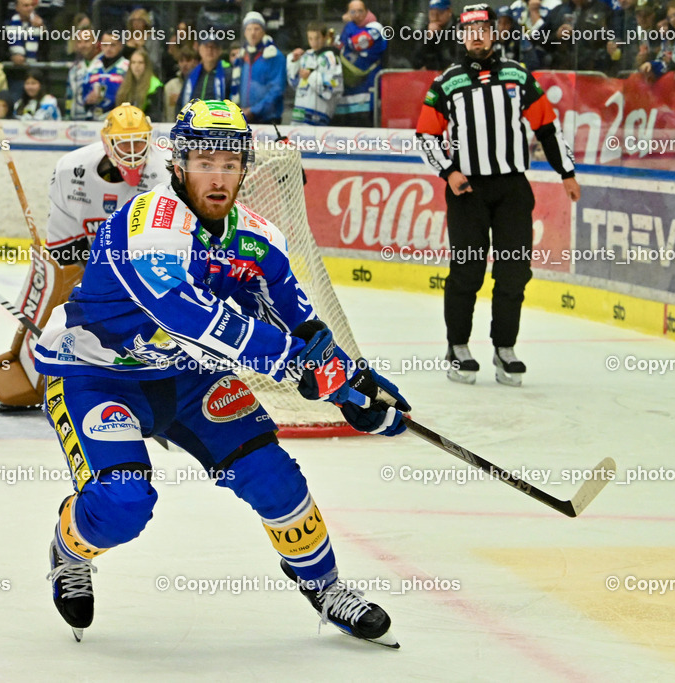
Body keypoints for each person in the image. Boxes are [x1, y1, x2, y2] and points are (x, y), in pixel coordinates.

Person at [36, 98, 410, 647]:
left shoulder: (257, 237)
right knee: (123, 504)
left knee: (275, 479)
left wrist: (352, 384)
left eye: (231, 163)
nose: (219, 177)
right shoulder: (150, 224)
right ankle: (70, 550)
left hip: (189, 380)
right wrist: (295, 364)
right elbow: (190, 318)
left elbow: (302, 323)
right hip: (97, 373)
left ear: (244, 169)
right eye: (206, 162)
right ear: (180, 164)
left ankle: (325, 588)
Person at [415, 4, 581, 387]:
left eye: (484, 29)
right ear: (461, 35)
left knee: (513, 272)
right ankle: (457, 347)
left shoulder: (517, 75)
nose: (477, 35)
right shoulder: (447, 82)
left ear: (495, 33)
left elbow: (547, 128)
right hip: (467, 190)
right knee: (467, 271)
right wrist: (449, 171)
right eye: (469, 30)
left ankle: (504, 348)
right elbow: (425, 136)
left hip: (511, 189)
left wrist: (567, 173)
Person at [0, 103, 169, 412]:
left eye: (140, 142)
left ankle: (150, 379)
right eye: (125, 143)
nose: (134, 152)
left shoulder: (165, 172)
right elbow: (64, 251)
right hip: (95, 263)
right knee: (73, 317)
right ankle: (58, 377)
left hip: (150, 264)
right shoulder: (72, 172)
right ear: (106, 143)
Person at [335, 0, 386, 127]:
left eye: (360, 11)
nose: (357, 14)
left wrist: (349, 24)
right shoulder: (352, 27)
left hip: (368, 89)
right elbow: (340, 45)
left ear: (367, 11)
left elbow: (355, 43)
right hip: (349, 90)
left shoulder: (376, 28)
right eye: (353, 11)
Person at [231, 11, 286, 124]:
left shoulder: (274, 55)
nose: (252, 33)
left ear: (263, 31)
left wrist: (254, 110)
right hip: (243, 118)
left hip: (268, 119)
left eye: (256, 29)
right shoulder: (241, 57)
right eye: (249, 29)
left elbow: (277, 89)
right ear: (244, 32)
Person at [287, 21, 343, 125]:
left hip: (319, 115)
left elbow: (335, 86)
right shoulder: (305, 56)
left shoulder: (331, 58)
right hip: (299, 113)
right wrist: (294, 62)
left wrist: (311, 76)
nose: (314, 42)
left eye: (317, 38)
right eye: (310, 38)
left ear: (325, 37)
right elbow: (294, 83)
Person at [82, 29, 128, 120]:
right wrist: (87, 99)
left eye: (112, 45)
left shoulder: (126, 66)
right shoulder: (93, 66)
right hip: (93, 117)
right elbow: (84, 92)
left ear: (120, 45)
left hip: (118, 118)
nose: (108, 48)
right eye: (105, 45)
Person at [178, 36, 231, 111]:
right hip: (193, 119)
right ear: (200, 50)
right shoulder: (191, 75)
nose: (210, 50)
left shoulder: (227, 75)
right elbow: (180, 103)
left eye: (213, 47)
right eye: (206, 47)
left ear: (220, 51)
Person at [114, 47, 163, 121]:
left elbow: (155, 114)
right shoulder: (125, 83)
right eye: (133, 62)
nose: (136, 66)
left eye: (140, 62)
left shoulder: (155, 84)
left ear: (146, 65)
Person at [412, 0, 458, 70]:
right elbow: (415, 62)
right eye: (432, 14)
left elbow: (455, 59)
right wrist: (429, 38)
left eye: (440, 13)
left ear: (449, 11)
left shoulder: (459, 29)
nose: (436, 17)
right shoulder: (425, 31)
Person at [66, 26, 98, 120]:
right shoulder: (74, 69)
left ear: (95, 42)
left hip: (100, 120)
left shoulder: (103, 66)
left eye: (87, 41)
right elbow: (69, 96)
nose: (83, 45)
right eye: (79, 42)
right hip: (77, 121)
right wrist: (67, 117)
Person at [163, 44, 198, 122]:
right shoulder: (170, 86)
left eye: (188, 60)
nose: (184, 64)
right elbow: (165, 113)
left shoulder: (201, 84)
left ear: (195, 62)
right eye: (181, 61)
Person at [7, 0, 43, 66]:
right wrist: (13, 56)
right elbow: (3, 49)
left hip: (36, 68)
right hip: (13, 68)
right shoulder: (8, 25)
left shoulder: (41, 24)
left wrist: (42, 27)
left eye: (32, 5)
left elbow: (45, 50)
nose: (30, 8)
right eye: (26, 6)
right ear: (17, 8)